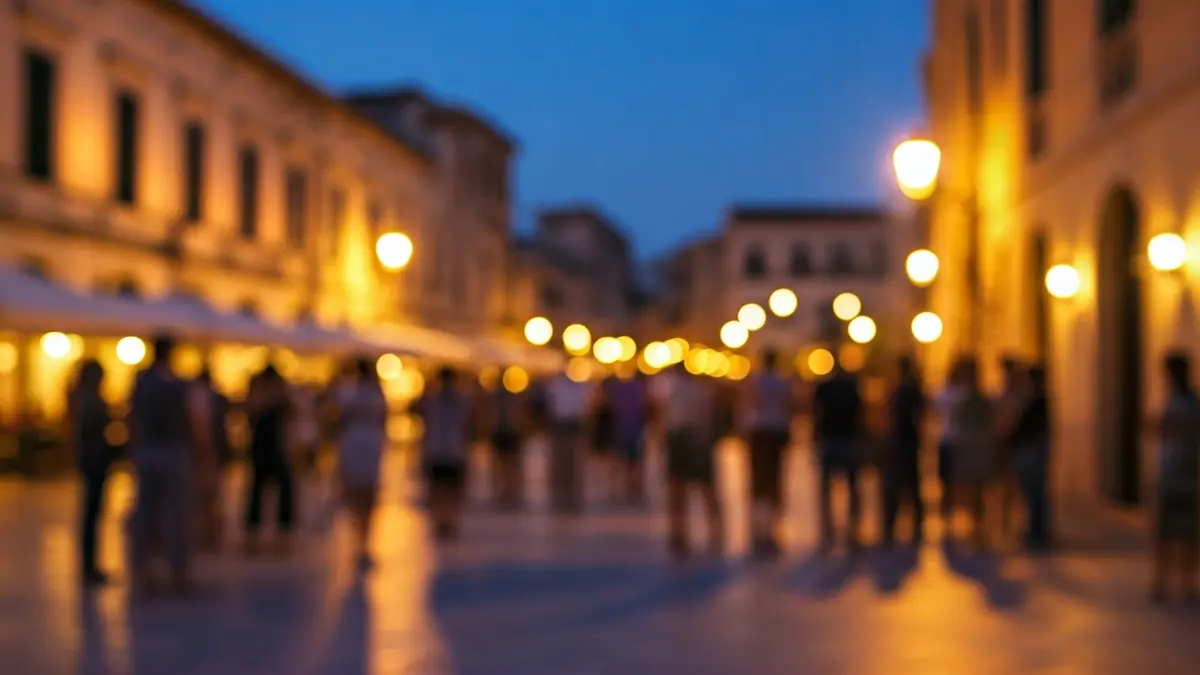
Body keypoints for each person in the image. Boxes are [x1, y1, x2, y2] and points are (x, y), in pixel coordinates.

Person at [128, 333, 211, 594]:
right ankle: (178, 572)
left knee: (146, 511)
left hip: (147, 450)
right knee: (177, 514)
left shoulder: (141, 382)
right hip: (174, 452)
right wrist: (204, 452)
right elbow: (195, 419)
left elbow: (132, 417)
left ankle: (143, 569)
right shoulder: (179, 385)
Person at [657, 366, 722, 557]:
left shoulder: (672, 388)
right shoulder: (703, 389)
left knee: (681, 490)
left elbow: (665, 417)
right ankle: (712, 531)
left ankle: (679, 533)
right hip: (695, 438)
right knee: (703, 489)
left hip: (684, 438)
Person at [1151, 352, 1200, 602]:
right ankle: (1166, 582)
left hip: (1182, 474)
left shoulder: (1189, 402)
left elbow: (1183, 431)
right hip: (1174, 473)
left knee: (1181, 532)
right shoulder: (1177, 400)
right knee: (1169, 532)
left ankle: (1182, 583)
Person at [333, 357, 389, 570]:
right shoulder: (377, 393)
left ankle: (359, 542)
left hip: (353, 444)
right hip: (371, 444)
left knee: (355, 495)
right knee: (368, 496)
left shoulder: (347, 391)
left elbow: (336, 418)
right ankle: (364, 542)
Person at [68, 360, 113, 586]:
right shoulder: (88, 400)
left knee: (92, 514)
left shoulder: (80, 397)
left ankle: (89, 565)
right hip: (94, 459)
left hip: (92, 459)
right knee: (92, 513)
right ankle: (89, 567)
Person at [812, 361, 866, 553]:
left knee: (827, 486)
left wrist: (815, 438)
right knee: (851, 485)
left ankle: (828, 527)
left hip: (830, 439)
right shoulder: (852, 388)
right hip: (848, 439)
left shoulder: (824, 387)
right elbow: (861, 413)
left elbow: (815, 413)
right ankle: (852, 528)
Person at [745, 349, 794, 556]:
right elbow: (790, 407)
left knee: (758, 481)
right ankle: (772, 527)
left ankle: (758, 528)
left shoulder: (756, 381)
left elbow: (749, 403)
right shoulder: (783, 383)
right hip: (777, 431)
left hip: (760, 432)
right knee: (775, 480)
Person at [243, 365, 295, 555]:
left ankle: (279, 535)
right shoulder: (264, 397)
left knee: (278, 490)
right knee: (258, 490)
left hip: (274, 447)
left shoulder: (278, 399)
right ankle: (255, 535)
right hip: (264, 447)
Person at [416, 367, 471, 540]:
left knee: (445, 488)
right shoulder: (438, 400)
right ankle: (443, 519)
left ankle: (446, 519)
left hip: (447, 448)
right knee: (442, 488)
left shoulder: (452, 401)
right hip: (444, 448)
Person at [948, 356, 995, 550]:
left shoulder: (975, 399)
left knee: (977, 492)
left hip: (976, 450)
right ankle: (976, 530)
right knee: (973, 492)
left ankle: (979, 530)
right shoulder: (969, 398)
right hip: (974, 450)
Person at [882, 355, 927, 547]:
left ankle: (893, 526)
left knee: (898, 485)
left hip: (901, 443)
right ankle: (914, 526)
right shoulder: (913, 388)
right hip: (909, 442)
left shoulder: (902, 389)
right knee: (911, 485)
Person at [1011, 364, 1051, 552]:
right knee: (1034, 495)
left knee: (1035, 495)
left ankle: (1037, 533)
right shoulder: (1033, 400)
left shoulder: (1037, 401)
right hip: (1031, 450)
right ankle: (1036, 532)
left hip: (1031, 451)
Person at [193, 368, 230, 551]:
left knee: (208, 494)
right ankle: (208, 532)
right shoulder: (210, 399)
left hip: (205, 453)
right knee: (208, 494)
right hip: (206, 453)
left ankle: (208, 532)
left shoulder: (206, 398)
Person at [545, 369, 591, 514]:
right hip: (560, 428)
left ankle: (573, 495)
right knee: (560, 463)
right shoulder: (556, 385)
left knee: (574, 464)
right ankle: (560, 494)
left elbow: (584, 409)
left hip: (574, 428)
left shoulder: (578, 387)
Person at [995, 356, 1029, 540]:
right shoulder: (1007, 396)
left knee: (1017, 489)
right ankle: (1007, 527)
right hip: (1007, 448)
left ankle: (1015, 527)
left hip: (1015, 447)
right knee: (1006, 489)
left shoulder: (1019, 397)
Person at [935, 360, 969, 535]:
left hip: (947, 440)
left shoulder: (944, 394)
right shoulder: (963, 395)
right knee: (957, 480)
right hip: (957, 441)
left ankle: (950, 515)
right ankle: (956, 516)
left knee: (948, 480)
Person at [610, 371, 651, 506]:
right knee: (634, 463)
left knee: (628, 462)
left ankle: (629, 489)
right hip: (633, 431)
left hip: (626, 430)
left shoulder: (622, 390)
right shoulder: (640, 390)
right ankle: (634, 490)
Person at [490, 374, 526, 510]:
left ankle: (511, 491)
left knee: (510, 464)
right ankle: (505, 491)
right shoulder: (498, 398)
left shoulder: (511, 398)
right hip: (502, 432)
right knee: (502, 463)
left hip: (509, 433)